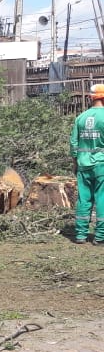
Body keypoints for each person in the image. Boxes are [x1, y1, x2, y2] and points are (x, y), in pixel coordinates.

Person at [71, 84, 104, 243]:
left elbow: (74, 144)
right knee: (102, 199)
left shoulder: (81, 117)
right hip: (101, 164)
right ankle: (100, 236)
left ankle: (80, 234)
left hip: (83, 164)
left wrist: (75, 163)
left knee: (84, 199)